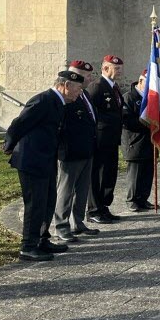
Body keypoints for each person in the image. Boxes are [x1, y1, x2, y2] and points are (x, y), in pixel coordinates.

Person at [2, 70, 84, 261]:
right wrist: (8, 145)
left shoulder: (58, 102)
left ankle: (41, 240)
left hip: (45, 159)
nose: (79, 93)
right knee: (35, 204)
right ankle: (28, 246)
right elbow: (19, 123)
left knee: (47, 202)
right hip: (31, 160)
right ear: (66, 85)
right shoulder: (43, 100)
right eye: (78, 89)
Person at [52, 60, 101, 242]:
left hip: (87, 149)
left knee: (82, 189)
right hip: (71, 151)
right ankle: (61, 226)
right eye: (83, 75)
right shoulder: (64, 97)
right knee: (66, 189)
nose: (87, 79)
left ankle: (78, 222)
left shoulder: (84, 94)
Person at [86, 54, 125, 224]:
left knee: (109, 174)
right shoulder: (97, 87)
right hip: (100, 140)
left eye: (120, 69)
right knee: (98, 174)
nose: (119, 72)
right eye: (116, 69)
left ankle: (104, 207)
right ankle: (94, 209)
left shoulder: (114, 87)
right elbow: (91, 113)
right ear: (105, 68)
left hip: (112, 139)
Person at [122, 70, 156, 212]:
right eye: (148, 84)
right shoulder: (129, 97)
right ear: (141, 81)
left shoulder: (152, 99)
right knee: (135, 174)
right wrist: (146, 123)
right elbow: (126, 121)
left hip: (149, 141)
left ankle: (143, 198)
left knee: (148, 172)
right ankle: (132, 200)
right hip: (134, 141)